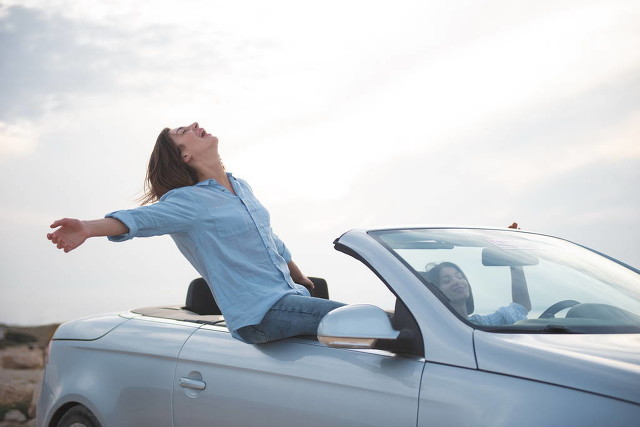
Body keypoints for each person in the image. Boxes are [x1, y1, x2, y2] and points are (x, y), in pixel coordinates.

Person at [47, 122, 344, 344]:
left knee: (363, 325)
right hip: (260, 314)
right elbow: (141, 219)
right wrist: (87, 228)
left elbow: (269, 239)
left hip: (290, 299)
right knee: (366, 320)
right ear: (184, 156)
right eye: (182, 131)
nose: (193, 125)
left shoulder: (241, 187)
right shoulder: (188, 201)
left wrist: (299, 276)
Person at [424, 261, 531, 326]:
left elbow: (520, 307)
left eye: (459, 276)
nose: (457, 281)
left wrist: (516, 264)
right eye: (446, 280)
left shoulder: (479, 323)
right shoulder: (438, 330)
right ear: (435, 291)